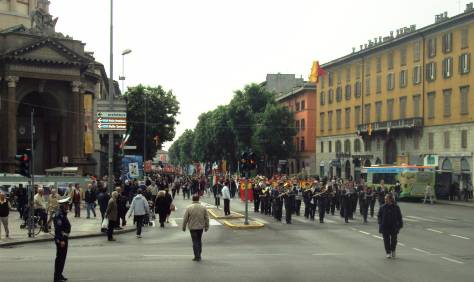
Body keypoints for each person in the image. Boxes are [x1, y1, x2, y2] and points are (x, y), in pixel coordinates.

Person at [182, 195, 210, 261]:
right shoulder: (203, 207)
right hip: (200, 227)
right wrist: (206, 226)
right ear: (198, 199)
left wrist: (184, 227)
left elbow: (185, 218)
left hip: (192, 227)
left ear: (192, 199)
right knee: (199, 240)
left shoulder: (189, 208)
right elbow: (207, 218)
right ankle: (199, 254)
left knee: (195, 241)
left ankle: (196, 256)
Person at [378, 194, 403, 259]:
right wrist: (380, 222)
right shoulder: (382, 207)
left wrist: (400, 225)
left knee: (394, 240)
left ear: (390, 199)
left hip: (394, 226)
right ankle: (388, 252)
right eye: (385, 199)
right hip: (385, 226)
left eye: (386, 199)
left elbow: (399, 217)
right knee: (386, 240)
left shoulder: (396, 207)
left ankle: (393, 250)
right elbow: (379, 216)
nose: (385, 200)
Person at [53, 197, 71, 282]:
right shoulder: (59, 215)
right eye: (66, 205)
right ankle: (57, 277)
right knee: (60, 259)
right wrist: (61, 240)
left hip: (64, 239)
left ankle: (59, 274)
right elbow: (58, 229)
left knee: (62, 259)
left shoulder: (62, 214)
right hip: (61, 240)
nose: (68, 206)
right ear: (63, 205)